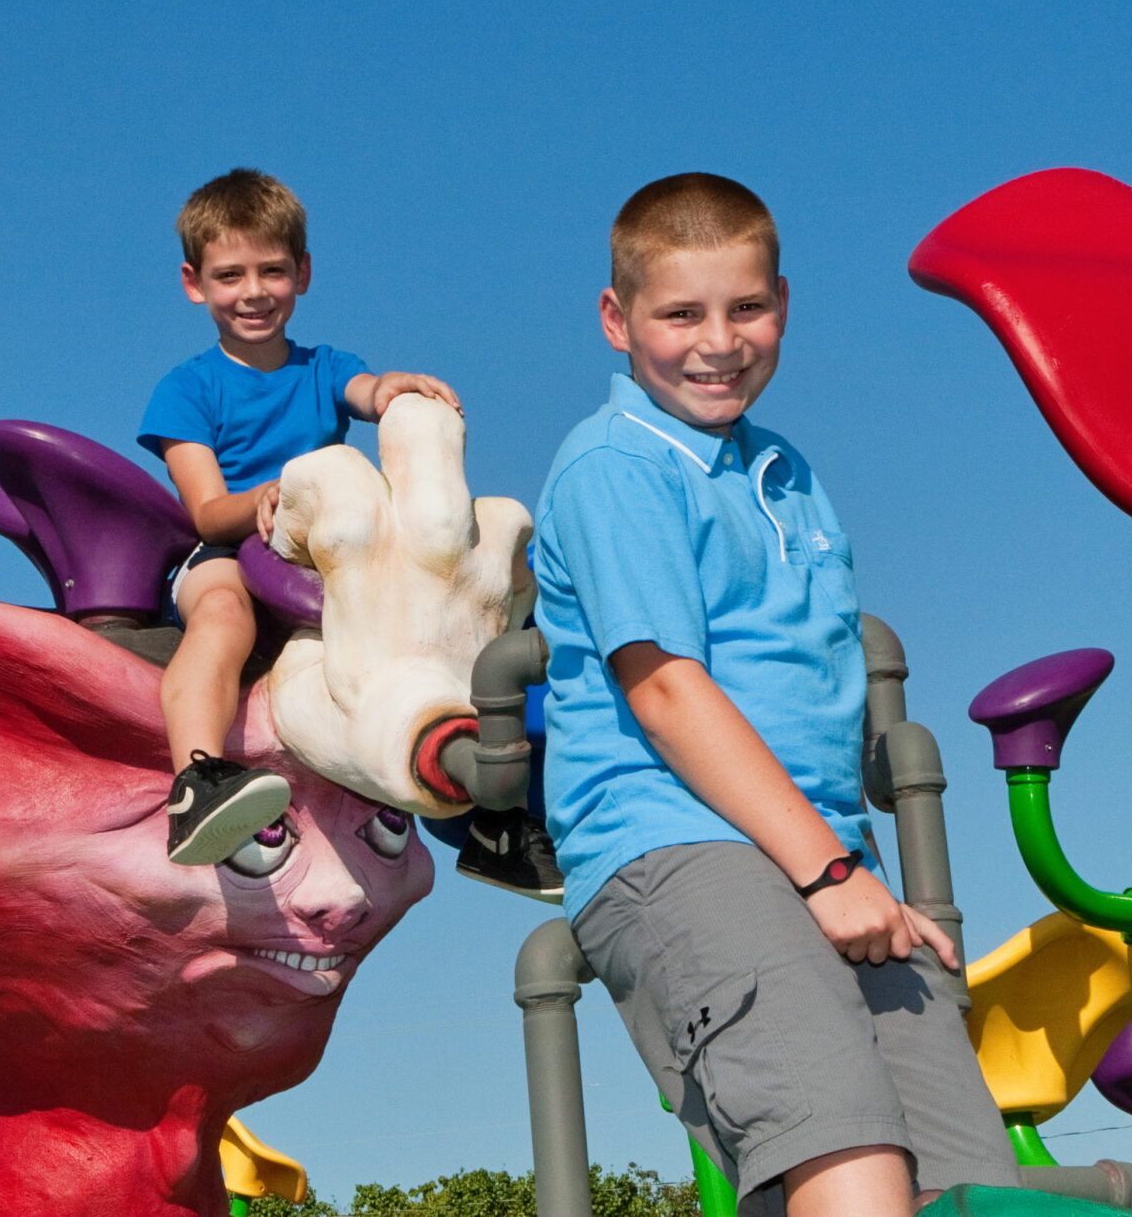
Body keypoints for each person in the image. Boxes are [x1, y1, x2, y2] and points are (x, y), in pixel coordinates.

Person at [531, 174, 1019, 1216]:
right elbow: (662, 687)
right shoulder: (615, 465)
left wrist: (843, 866)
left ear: (782, 306)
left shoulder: (782, 472)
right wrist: (830, 866)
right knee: (847, 1160)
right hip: (676, 845)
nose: (717, 340)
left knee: (971, 1188)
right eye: (678, 314)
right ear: (615, 320)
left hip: (820, 850)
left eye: (744, 308)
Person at [139, 169, 558, 899]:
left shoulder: (324, 366)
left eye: (272, 270)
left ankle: (495, 816)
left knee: (453, 625)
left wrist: (393, 390)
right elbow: (205, 510)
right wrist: (265, 498)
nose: (253, 290)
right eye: (229, 274)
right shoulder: (189, 388)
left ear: (302, 272)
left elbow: (364, 393)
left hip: (323, 557)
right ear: (193, 283)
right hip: (235, 548)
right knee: (221, 615)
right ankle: (198, 777)